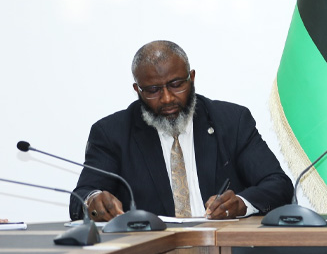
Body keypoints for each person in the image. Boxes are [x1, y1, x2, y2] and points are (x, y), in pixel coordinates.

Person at [70, 40, 293, 222]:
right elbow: (82, 196)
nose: (167, 98)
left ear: (192, 78)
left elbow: (278, 184)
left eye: (176, 85)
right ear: (137, 90)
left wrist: (242, 204)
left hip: (224, 248)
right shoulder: (111, 133)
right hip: (150, 252)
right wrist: (94, 201)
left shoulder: (232, 121)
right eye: (153, 90)